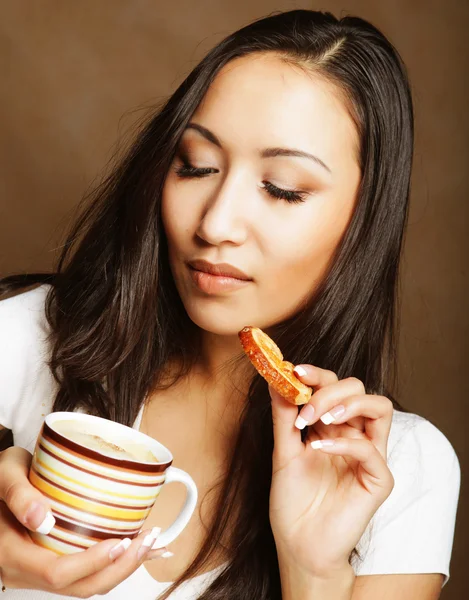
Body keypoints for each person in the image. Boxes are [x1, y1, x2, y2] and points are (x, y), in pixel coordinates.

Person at [0, 9, 460, 600]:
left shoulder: (401, 468)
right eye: (197, 165)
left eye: (283, 189)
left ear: (363, 224)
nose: (216, 223)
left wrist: (313, 570)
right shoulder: (25, 339)